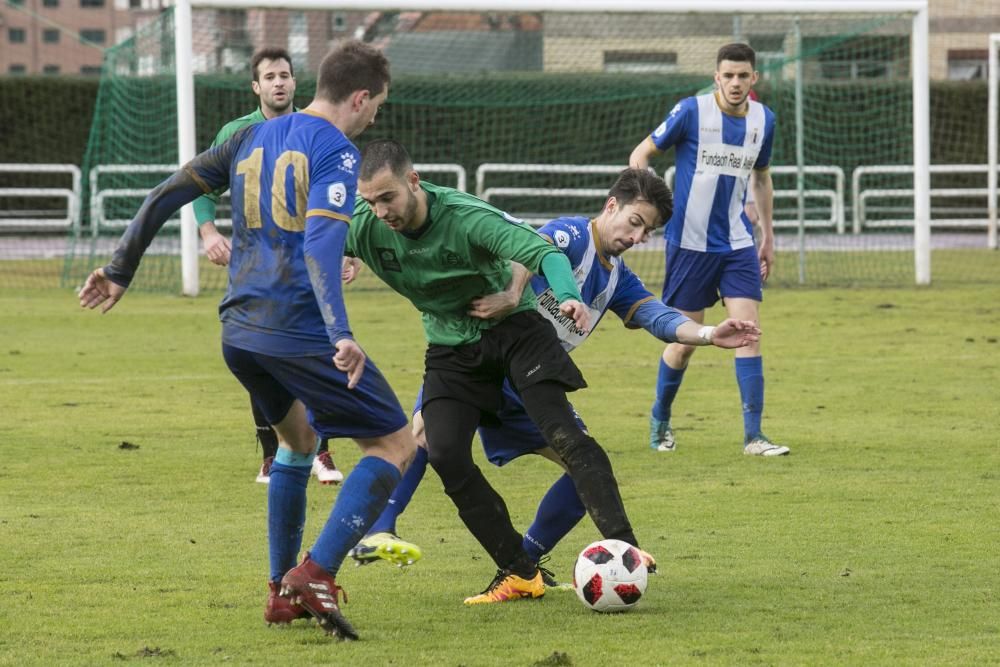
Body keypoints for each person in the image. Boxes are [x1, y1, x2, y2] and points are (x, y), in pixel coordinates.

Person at [78, 41, 415, 640]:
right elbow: (318, 244)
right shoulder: (337, 149)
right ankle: (316, 572)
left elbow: (165, 195)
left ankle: (281, 591)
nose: (374, 119)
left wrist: (121, 268)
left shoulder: (247, 138)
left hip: (240, 331)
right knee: (393, 444)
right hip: (297, 329)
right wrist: (343, 333)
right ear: (360, 97)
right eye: (376, 107)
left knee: (298, 442)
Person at [348, 168, 761, 581]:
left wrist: (708, 333)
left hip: (528, 381)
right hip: (476, 352)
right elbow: (535, 246)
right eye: (636, 222)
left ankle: (525, 561)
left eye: (647, 232)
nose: (637, 238)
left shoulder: (617, 277)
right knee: (423, 436)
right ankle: (381, 529)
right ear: (611, 205)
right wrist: (512, 293)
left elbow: (656, 316)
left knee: (583, 471)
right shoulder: (574, 234)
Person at [344, 139, 654, 606]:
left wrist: (568, 294)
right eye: (370, 201)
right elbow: (312, 241)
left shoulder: (467, 216)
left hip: (516, 334)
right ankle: (520, 571)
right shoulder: (365, 225)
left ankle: (626, 547)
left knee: (568, 437)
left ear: (413, 181)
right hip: (452, 349)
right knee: (445, 453)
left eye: (388, 197)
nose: (380, 210)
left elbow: (544, 253)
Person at [190, 46, 342, 486]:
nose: (279, 82)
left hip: (307, 267)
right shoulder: (237, 133)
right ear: (256, 86)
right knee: (261, 356)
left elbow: (337, 198)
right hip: (255, 269)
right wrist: (209, 233)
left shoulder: (317, 130)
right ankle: (272, 454)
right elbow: (200, 189)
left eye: (285, 75)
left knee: (323, 353)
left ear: (296, 83)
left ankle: (324, 452)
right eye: (270, 76)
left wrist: (346, 250)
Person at [629, 42, 789, 457]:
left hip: (737, 243)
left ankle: (754, 437)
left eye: (743, 76)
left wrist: (768, 236)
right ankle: (660, 420)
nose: (735, 83)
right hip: (689, 245)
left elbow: (761, 179)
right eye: (728, 75)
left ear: (754, 79)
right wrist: (645, 212)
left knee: (749, 334)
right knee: (683, 343)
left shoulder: (763, 120)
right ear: (717, 77)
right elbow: (641, 154)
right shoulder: (691, 112)